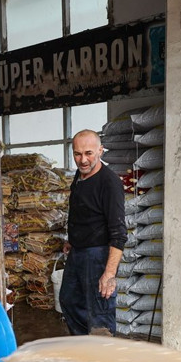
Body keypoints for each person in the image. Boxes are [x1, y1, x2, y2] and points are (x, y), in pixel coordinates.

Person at [60, 129, 126, 336]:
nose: (83, 160)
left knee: (99, 313)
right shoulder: (79, 177)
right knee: (69, 301)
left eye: (88, 153)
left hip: (98, 255)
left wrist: (109, 274)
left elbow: (119, 233)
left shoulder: (110, 183)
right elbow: (84, 211)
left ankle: (102, 360)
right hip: (78, 252)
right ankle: (84, 350)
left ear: (101, 151)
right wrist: (73, 239)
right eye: (78, 154)